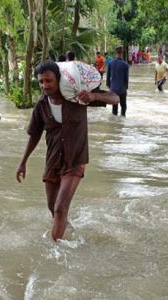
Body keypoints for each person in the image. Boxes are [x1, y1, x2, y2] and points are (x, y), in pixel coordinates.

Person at [16, 60, 119, 242]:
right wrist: (23, 162)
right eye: (41, 82)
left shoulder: (77, 97)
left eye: (49, 81)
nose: (44, 86)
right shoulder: (41, 105)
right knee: (52, 206)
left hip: (75, 158)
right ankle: (67, 228)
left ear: (58, 79)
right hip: (53, 160)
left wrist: (94, 97)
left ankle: (55, 252)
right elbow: (34, 134)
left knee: (60, 207)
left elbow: (115, 98)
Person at [107, 45, 129, 116]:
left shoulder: (111, 63)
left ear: (115, 52)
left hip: (113, 89)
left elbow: (108, 77)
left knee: (114, 108)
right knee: (123, 106)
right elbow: (126, 80)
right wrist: (126, 89)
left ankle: (114, 124)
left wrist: (110, 88)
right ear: (122, 52)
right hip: (122, 89)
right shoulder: (125, 65)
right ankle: (122, 119)